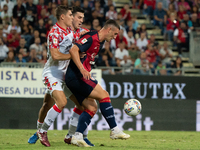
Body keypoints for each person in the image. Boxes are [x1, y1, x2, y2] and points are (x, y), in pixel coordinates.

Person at [28, 6, 96, 147]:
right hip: (52, 73)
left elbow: (79, 41)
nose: (73, 17)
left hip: (66, 75)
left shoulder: (70, 31)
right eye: (71, 15)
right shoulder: (54, 33)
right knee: (59, 102)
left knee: (79, 104)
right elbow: (55, 55)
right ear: (62, 17)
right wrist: (73, 56)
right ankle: (41, 131)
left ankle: (70, 135)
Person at [65, 19, 130, 147]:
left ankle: (77, 136)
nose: (115, 37)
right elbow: (73, 50)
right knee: (104, 95)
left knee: (91, 107)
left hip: (77, 77)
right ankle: (114, 130)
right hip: (76, 76)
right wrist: (82, 69)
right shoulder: (91, 37)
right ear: (109, 29)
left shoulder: (99, 42)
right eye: (115, 34)